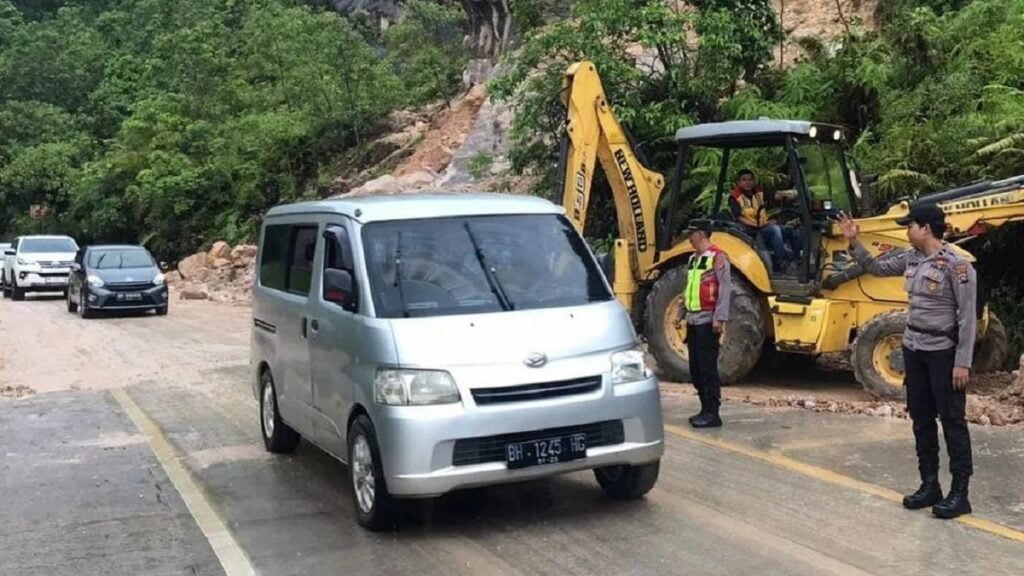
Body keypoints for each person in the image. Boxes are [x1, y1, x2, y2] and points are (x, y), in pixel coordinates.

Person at [837, 204, 977, 519]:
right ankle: (930, 485)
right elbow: (875, 267)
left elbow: (967, 319)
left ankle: (960, 492)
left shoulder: (958, 267)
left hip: (943, 352)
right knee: (921, 417)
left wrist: (962, 363)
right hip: (914, 348)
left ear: (926, 228)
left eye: (909, 224)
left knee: (952, 421)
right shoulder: (911, 257)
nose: (906, 230)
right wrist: (854, 241)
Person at [675, 220, 731, 428]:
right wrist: (681, 312)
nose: (689, 239)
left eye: (691, 234)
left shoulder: (718, 257)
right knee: (696, 368)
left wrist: (720, 317)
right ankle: (703, 408)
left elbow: (725, 289)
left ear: (700, 234)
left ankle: (712, 412)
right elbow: (689, 287)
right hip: (693, 319)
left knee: (707, 367)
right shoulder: (693, 259)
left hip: (708, 320)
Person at [728, 170, 800, 272]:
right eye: (744, 180)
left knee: (792, 230)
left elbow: (776, 195)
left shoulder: (759, 192)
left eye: (750, 179)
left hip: (764, 226)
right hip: (750, 230)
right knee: (775, 230)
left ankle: (797, 259)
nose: (748, 182)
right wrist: (759, 225)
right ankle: (782, 261)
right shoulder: (735, 197)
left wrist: (793, 194)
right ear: (738, 183)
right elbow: (739, 218)